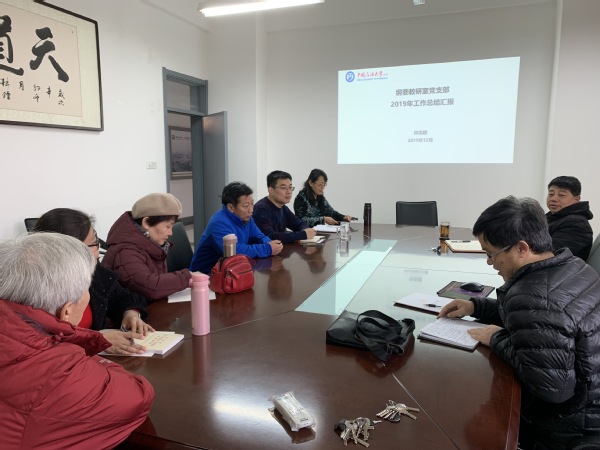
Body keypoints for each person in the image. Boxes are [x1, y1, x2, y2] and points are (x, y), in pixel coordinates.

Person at [438, 196, 600, 449]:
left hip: (567, 429)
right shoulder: (572, 266)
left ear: (522, 248)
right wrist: (477, 306)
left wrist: (496, 338)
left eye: (491, 254)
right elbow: (540, 324)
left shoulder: (533, 297)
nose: (489, 262)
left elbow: (553, 388)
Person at [0, 233, 154, 449]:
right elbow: (139, 395)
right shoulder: (58, 372)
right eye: (86, 290)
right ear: (67, 311)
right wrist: (81, 343)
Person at [34, 208, 153, 354]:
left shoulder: (95, 273)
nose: (98, 249)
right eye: (94, 243)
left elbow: (123, 296)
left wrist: (131, 313)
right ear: (68, 252)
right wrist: (95, 340)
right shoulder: (33, 292)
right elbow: (39, 346)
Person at [102, 193, 192, 301]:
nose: (171, 233)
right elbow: (151, 286)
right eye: (168, 226)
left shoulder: (151, 244)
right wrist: (188, 277)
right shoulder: (126, 251)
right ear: (146, 223)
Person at [190, 182, 283, 274]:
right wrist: (267, 249)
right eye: (246, 206)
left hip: (231, 270)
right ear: (231, 207)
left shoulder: (246, 218)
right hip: (205, 275)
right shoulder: (218, 223)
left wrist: (270, 244)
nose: (251, 210)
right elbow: (234, 251)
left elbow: (259, 236)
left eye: (252, 204)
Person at [253, 170, 317, 243]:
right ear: (271, 190)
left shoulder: (283, 207)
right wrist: (303, 234)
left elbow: (298, 223)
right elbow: (270, 236)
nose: (289, 192)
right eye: (283, 188)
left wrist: (306, 230)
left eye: (290, 187)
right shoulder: (261, 209)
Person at [546, 175, 593, 260]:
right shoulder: (552, 218)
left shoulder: (577, 224)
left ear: (576, 199)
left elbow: (552, 255)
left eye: (561, 195)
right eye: (551, 194)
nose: (554, 199)